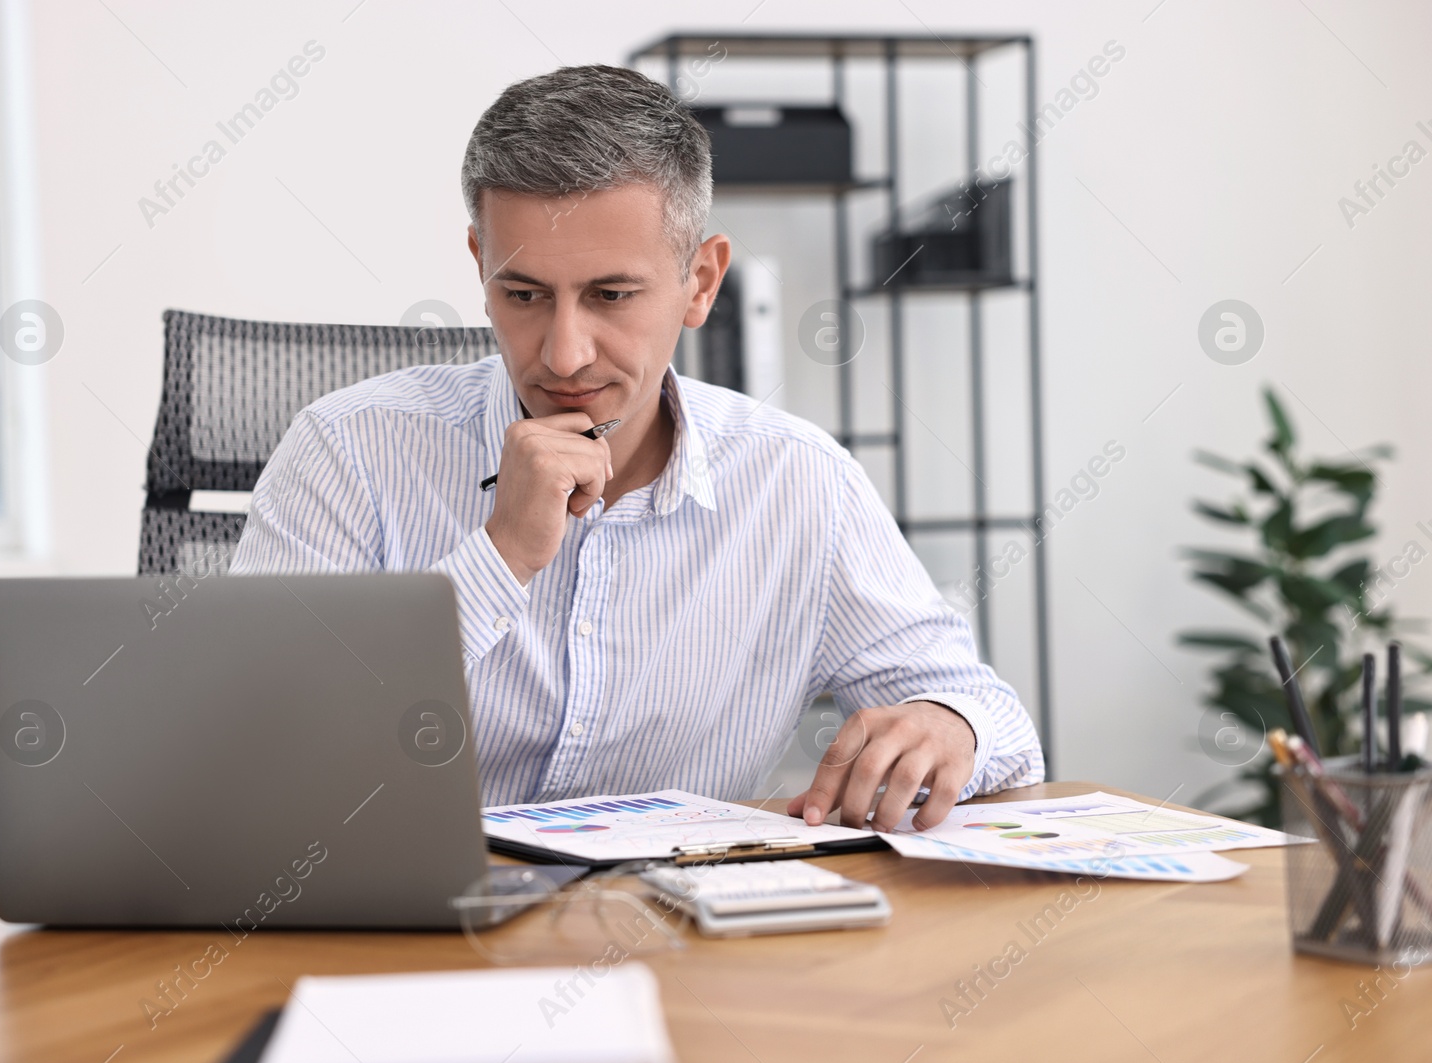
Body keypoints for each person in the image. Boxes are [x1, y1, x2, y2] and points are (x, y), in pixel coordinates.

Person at [230, 64, 1043, 831]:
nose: (564, 352)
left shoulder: (798, 480)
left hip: (683, 936)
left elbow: (995, 720)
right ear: (480, 266)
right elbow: (256, 749)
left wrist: (948, 724)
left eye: (611, 295)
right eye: (522, 294)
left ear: (701, 282)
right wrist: (500, 554)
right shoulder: (346, 451)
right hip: (401, 934)